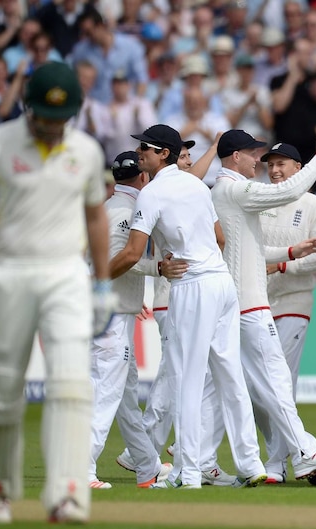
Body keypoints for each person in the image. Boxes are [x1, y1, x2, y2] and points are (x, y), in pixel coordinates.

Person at [0, 62, 116, 523]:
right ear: (26, 108)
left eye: (62, 118)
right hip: (10, 272)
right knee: (2, 387)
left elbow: (97, 216)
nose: (54, 126)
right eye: (45, 117)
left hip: (66, 276)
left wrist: (101, 283)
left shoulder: (85, 150)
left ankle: (68, 494)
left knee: (71, 383)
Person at [108, 124, 266, 489]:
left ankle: (188, 472)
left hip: (192, 286)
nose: (140, 154)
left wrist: (96, 277)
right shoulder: (197, 185)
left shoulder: (151, 194)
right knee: (230, 375)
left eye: (145, 148)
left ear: (163, 153)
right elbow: (220, 237)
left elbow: (132, 253)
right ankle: (250, 463)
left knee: (186, 380)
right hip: (221, 283)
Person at [212, 128, 316, 484]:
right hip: (252, 302)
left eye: (279, 163)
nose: (268, 166)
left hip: (283, 300)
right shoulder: (243, 192)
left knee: (268, 382)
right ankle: (300, 453)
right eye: (262, 159)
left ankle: (270, 461)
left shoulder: (306, 203)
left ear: (296, 165)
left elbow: (259, 247)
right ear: (235, 157)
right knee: (266, 384)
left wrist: (289, 257)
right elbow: (286, 193)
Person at [88, 151, 185, 491]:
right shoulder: (127, 213)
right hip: (110, 314)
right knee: (106, 391)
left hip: (114, 310)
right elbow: (118, 260)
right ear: (143, 178)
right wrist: (156, 268)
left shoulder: (106, 207)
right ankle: (82, 468)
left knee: (126, 397)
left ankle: (147, 466)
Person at [259, 142, 316, 397]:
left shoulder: (312, 204)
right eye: (270, 165)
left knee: (281, 377)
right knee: (258, 382)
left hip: (295, 300)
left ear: (299, 168)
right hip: (258, 302)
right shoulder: (259, 199)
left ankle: (288, 437)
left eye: (281, 164)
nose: (274, 170)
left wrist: (282, 266)